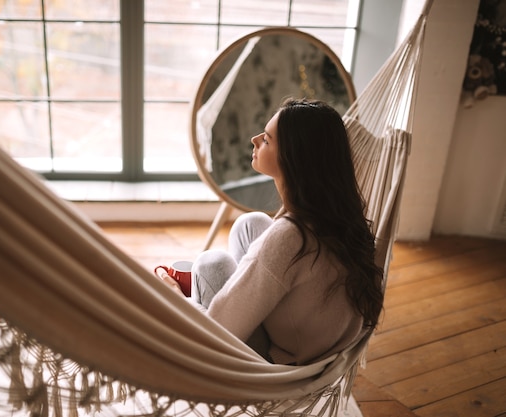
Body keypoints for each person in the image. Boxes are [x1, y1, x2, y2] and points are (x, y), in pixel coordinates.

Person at [157, 97, 383, 365]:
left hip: (283, 367)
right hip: (324, 341)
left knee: (210, 264)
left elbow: (216, 331)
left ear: (293, 157)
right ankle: (244, 295)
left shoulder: (290, 237)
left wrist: (174, 297)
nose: (254, 139)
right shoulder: (337, 215)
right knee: (249, 225)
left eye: (266, 140)